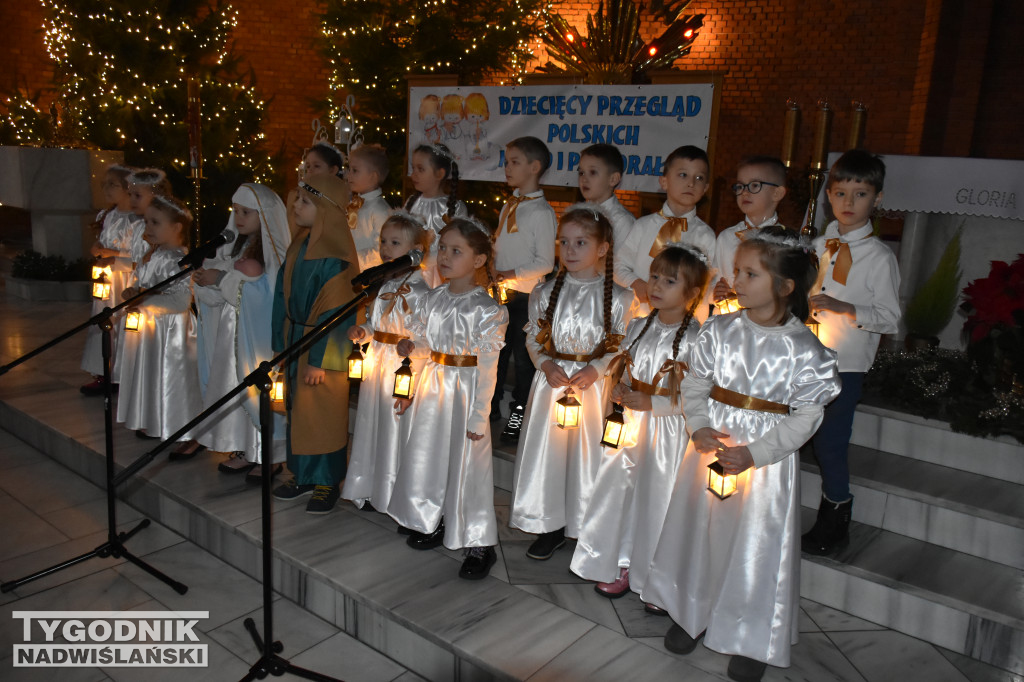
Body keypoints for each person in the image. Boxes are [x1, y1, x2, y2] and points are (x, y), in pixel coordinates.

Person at [642, 226, 841, 682]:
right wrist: (698, 426)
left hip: (761, 461)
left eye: (750, 273)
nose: (737, 280)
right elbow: (694, 384)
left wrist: (756, 453)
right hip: (713, 443)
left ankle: (752, 634)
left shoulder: (806, 349)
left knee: (755, 544)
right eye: (737, 271)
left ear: (785, 287)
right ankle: (689, 610)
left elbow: (807, 416)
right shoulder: (718, 329)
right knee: (699, 531)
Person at [571, 243, 708, 608]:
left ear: (693, 294)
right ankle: (622, 562)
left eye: (670, 281)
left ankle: (657, 576)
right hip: (630, 425)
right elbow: (621, 361)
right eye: (655, 277)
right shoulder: (637, 325)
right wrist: (617, 383)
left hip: (668, 435)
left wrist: (656, 402)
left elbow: (698, 397)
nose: (657, 286)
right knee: (622, 493)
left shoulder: (698, 340)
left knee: (657, 501)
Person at [509, 205, 635, 561]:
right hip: (552, 385)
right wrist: (546, 365)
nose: (570, 250)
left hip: (592, 390)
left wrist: (597, 368)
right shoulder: (543, 293)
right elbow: (534, 339)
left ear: (602, 249)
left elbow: (622, 344)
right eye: (564, 242)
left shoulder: (623, 299)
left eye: (581, 242)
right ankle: (550, 524)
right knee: (550, 455)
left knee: (588, 455)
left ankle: (586, 523)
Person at [387, 217, 508, 580]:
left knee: (469, 467)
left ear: (478, 260)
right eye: (442, 248)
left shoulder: (487, 309)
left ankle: (479, 544)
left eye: (457, 250)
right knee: (431, 457)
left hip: (467, 392)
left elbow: (488, 368)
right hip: (434, 387)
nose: (445, 256)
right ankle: (435, 518)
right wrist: (414, 349)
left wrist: (478, 416)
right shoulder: (433, 299)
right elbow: (426, 346)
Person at [803, 150, 901, 556]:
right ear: (828, 195)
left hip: (846, 365)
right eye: (840, 193)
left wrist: (847, 308)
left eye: (859, 194)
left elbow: (890, 319)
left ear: (876, 198)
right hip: (803, 357)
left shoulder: (879, 257)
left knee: (829, 443)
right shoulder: (817, 244)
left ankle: (836, 515)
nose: (848, 203)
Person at [271, 175, 360, 515]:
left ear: (325, 211)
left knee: (323, 414)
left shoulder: (337, 258)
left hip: (321, 350)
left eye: (305, 203)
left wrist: (320, 360)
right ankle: (303, 473)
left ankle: (327, 479)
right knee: (299, 413)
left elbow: (340, 313)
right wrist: (281, 344)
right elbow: (283, 296)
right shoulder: (299, 245)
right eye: (297, 200)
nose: (295, 206)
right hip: (297, 341)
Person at [191, 184, 291, 481]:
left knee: (256, 390)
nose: (239, 217)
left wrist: (222, 279)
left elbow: (265, 295)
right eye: (236, 211)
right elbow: (221, 293)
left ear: (265, 215)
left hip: (254, 338)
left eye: (247, 212)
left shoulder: (274, 253)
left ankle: (268, 455)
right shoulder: (236, 247)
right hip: (230, 335)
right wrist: (205, 281)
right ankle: (244, 449)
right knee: (232, 388)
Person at [342, 211, 433, 512]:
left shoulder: (422, 293)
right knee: (371, 424)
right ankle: (367, 484)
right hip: (377, 363)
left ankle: (392, 492)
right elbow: (375, 324)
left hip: (402, 366)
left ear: (415, 251)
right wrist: (363, 333)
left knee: (395, 428)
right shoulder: (381, 286)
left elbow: (427, 338)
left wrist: (413, 346)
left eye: (394, 242)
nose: (385, 247)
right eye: (383, 241)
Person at [115, 196, 202, 444]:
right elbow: (145, 286)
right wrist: (133, 293)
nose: (148, 228)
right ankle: (155, 417)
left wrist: (142, 300)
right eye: (146, 221)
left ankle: (182, 426)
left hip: (173, 331)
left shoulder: (179, 260)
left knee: (172, 377)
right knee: (153, 375)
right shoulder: (154, 255)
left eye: (155, 222)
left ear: (176, 227)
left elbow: (180, 302)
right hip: (153, 328)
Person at [491, 136, 558, 439]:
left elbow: (545, 262)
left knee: (524, 360)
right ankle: (490, 408)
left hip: (527, 297)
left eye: (514, 162)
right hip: (501, 293)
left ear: (534, 167)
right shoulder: (511, 203)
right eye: (507, 162)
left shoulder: (542, 212)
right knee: (497, 353)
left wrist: (510, 272)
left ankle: (520, 416)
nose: (507, 167)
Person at [615, 145, 716, 316]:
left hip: (683, 322)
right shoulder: (643, 226)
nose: (691, 183)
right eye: (683, 175)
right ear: (664, 182)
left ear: (705, 188)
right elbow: (618, 266)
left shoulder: (706, 236)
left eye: (699, 178)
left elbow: (709, 282)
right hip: (638, 314)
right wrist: (636, 283)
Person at [80, 163, 139, 395]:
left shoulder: (138, 220)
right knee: (103, 322)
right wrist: (97, 248)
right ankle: (102, 371)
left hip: (124, 282)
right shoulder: (107, 215)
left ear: (128, 188)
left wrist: (114, 256)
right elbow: (102, 242)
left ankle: (123, 374)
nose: (106, 188)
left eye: (112, 184)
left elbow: (139, 256)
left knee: (124, 324)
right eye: (104, 183)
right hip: (107, 282)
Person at [712, 155, 788, 305]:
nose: (745, 192)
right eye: (740, 186)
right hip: (727, 321)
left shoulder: (787, 242)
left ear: (777, 193)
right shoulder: (726, 237)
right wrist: (716, 291)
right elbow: (714, 280)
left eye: (754, 186)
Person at [404, 143, 467, 287]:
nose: (414, 174)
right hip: (411, 275)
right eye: (413, 168)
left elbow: (458, 246)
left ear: (439, 174)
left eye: (420, 169)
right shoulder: (411, 203)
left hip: (440, 277)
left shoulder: (455, 208)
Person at [576, 143, 635, 286]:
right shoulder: (577, 214)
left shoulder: (621, 221)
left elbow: (621, 269)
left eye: (593, 172)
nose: (584, 179)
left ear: (613, 179)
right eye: (581, 172)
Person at [345, 144, 392, 272]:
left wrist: (351, 259)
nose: (349, 175)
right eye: (349, 169)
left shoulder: (380, 211)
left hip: (367, 274)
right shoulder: (354, 204)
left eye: (355, 170)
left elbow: (381, 250)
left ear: (373, 176)